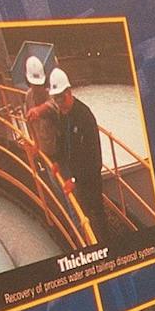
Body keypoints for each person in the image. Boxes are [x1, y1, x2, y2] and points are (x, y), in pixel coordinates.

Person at [46, 67, 106, 243]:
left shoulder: (84, 117)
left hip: (90, 178)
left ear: (69, 92)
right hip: (76, 175)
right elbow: (64, 142)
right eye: (56, 100)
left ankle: (104, 244)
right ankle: (86, 241)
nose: (59, 103)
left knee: (96, 213)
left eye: (61, 98)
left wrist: (75, 181)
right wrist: (57, 160)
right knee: (82, 213)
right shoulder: (64, 115)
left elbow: (95, 159)